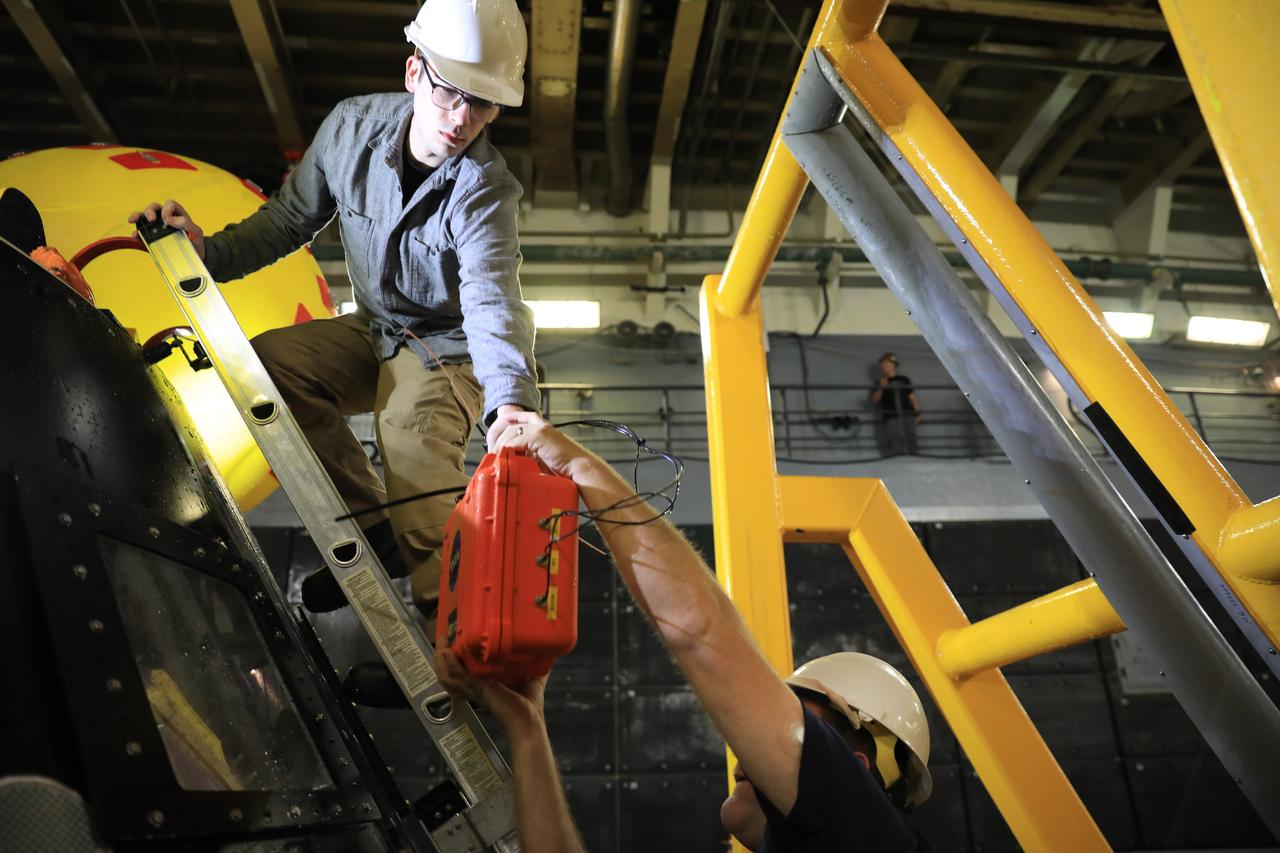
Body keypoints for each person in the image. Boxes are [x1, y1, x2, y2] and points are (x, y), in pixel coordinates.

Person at [128, 0, 539, 621]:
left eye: (481, 103)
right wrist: (208, 250)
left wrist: (509, 402)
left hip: (447, 348)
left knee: (410, 439)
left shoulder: (485, 189)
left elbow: (490, 299)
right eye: (450, 93)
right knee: (267, 368)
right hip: (374, 330)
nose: (461, 119)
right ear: (413, 72)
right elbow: (290, 220)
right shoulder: (349, 130)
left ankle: (466, 639)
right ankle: (379, 528)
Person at [437, 418, 933, 852]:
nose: (746, 748)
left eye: (801, 717)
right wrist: (526, 727)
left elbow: (701, 633)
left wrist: (576, 465)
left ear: (854, 770)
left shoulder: (869, 839)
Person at [871, 352, 922, 456]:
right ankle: (898, 461)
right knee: (895, 438)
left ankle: (914, 460)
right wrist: (881, 387)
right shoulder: (879, 382)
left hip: (908, 413)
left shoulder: (904, 380)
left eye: (887, 363)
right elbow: (875, 400)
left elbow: (912, 398)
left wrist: (918, 413)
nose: (884, 366)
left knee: (911, 436)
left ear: (894, 364)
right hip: (891, 416)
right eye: (883, 364)